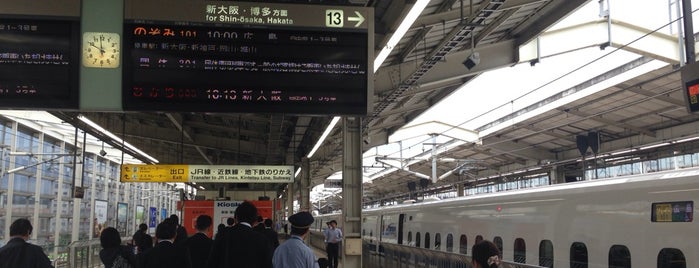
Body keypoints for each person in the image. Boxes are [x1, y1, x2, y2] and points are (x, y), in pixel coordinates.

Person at [207, 201, 273, 268]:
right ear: (255, 221)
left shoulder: (222, 235)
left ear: (236, 218)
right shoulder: (262, 240)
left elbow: (212, 263)